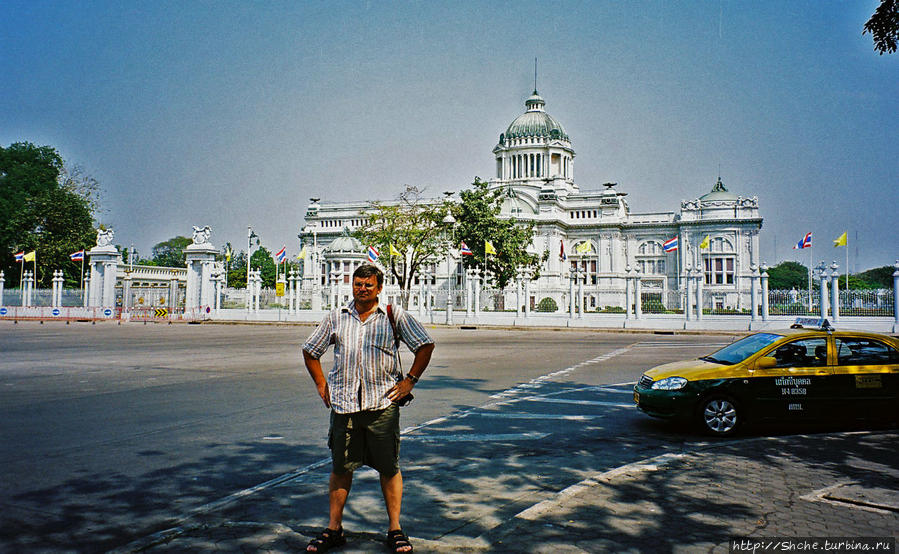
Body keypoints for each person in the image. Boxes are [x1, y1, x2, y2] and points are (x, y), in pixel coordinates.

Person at [302, 264, 434, 553]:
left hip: (381, 405)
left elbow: (424, 345)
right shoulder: (337, 317)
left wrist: (410, 381)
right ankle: (334, 528)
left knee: (388, 467)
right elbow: (310, 350)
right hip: (344, 406)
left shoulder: (392, 316)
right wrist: (321, 384)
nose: (362, 289)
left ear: (379, 287)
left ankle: (395, 528)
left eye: (368, 285)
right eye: (357, 283)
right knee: (340, 468)